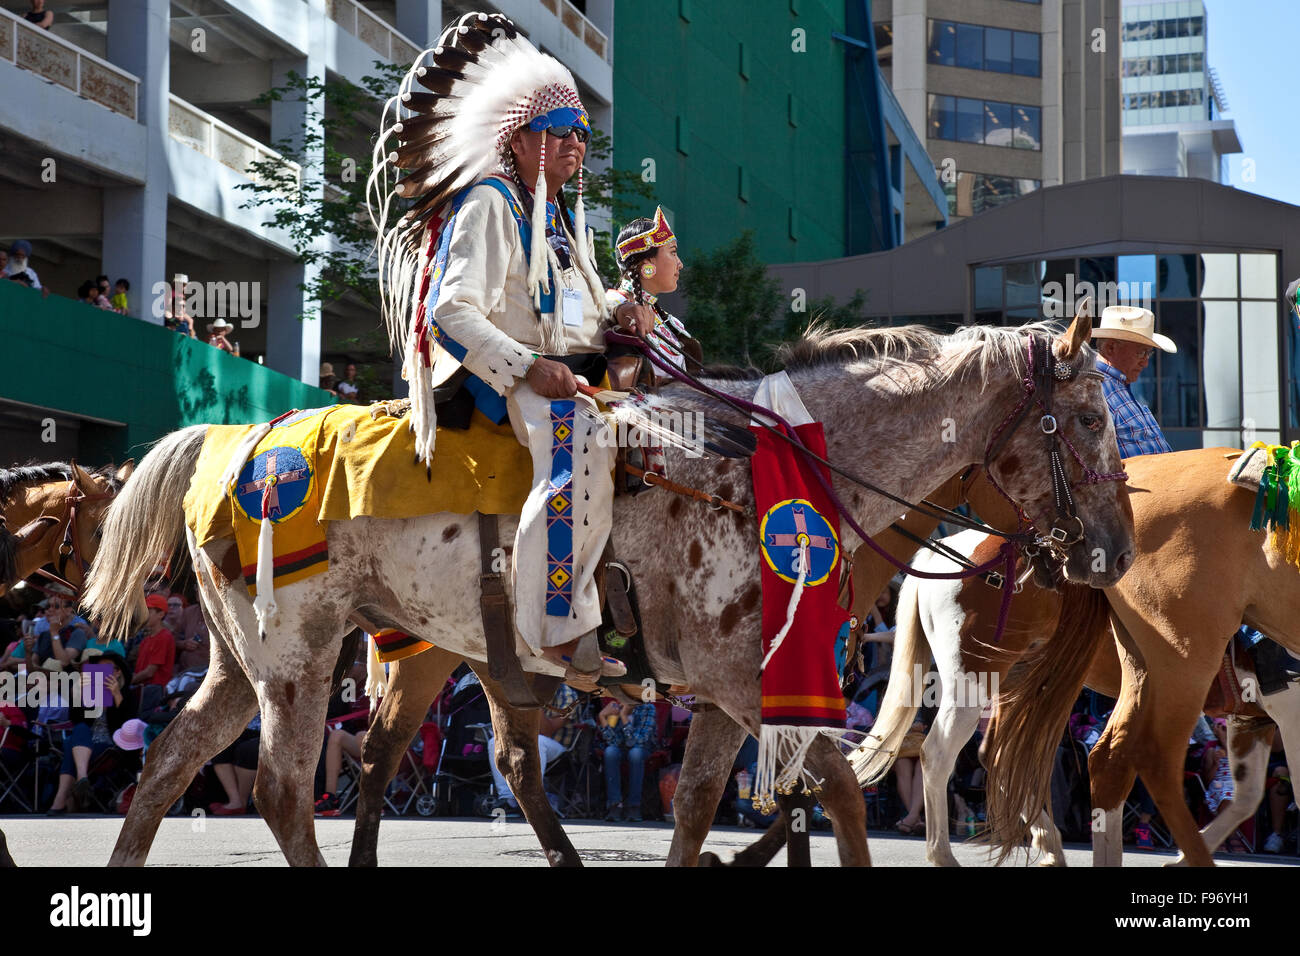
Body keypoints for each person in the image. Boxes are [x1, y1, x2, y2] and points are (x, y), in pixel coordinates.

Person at [377, 14, 624, 683]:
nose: (576, 144)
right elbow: (449, 311)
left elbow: (581, 316)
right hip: (505, 378)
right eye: (559, 132)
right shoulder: (489, 203)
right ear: (518, 140)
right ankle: (554, 625)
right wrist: (527, 367)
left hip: (572, 371)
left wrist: (627, 319)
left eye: (582, 133)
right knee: (581, 440)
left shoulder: (561, 217)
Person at [605, 208, 698, 380]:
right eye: (673, 252)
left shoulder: (673, 325)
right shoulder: (608, 306)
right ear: (647, 264)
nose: (680, 264)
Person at [46, 652, 135, 814]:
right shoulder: (92, 692)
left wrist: (116, 695)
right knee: (80, 729)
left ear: (117, 672)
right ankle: (81, 778)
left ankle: (60, 800)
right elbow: (76, 719)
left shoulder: (127, 694)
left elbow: (128, 724)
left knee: (69, 744)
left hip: (110, 745)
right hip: (85, 742)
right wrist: (79, 694)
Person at [485, 683, 580, 816]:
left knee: (538, 741)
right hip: (526, 741)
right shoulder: (525, 689)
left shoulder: (567, 695)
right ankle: (508, 799)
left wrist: (534, 703)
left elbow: (546, 731)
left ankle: (533, 798)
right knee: (494, 742)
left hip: (558, 749)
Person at [599, 699, 657, 822]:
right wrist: (603, 717)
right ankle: (615, 804)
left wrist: (624, 717)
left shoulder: (647, 708)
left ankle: (634, 806)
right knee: (610, 752)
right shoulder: (616, 707)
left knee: (635, 753)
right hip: (622, 748)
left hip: (642, 749)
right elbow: (612, 741)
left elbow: (638, 742)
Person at [129, 594, 176, 710]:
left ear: (161, 614)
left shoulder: (164, 637)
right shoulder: (146, 640)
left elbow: (150, 672)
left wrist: (127, 681)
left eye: (149, 612)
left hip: (154, 693)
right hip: (142, 692)